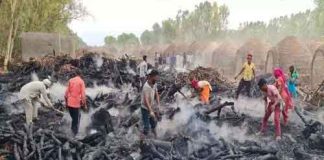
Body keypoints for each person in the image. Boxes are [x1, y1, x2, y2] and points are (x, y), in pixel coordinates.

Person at [65, 69, 87, 136]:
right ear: (80, 74)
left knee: (74, 118)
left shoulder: (70, 80)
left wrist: (66, 103)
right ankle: (74, 135)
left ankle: (72, 132)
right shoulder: (81, 82)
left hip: (69, 103)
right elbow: (83, 95)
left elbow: (66, 94)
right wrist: (84, 105)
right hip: (75, 104)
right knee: (76, 120)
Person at [141, 69, 160, 137]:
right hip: (145, 109)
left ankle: (156, 137)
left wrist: (158, 105)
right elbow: (146, 100)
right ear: (151, 77)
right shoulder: (146, 87)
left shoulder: (154, 84)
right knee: (146, 127)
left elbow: (156, 94)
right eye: (156, 77)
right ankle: (141, 141)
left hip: (151, 107)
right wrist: (151, 111)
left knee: (153, 124)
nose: (157, 78)